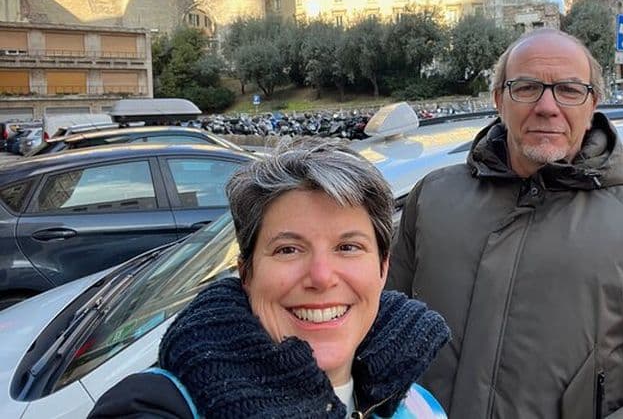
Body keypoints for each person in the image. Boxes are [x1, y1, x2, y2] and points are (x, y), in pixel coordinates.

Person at [387, 29, 623, 418]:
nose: (547, 107)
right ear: (499, 99)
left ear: (593, 103)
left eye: (568, 90)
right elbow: (380, 331)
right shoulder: (432, 198)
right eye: (527, 87)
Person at [89, 139, 451, 419]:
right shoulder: (156, 405)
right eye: (288, 250)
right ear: (246, 273)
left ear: (383, 268)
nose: (321, 277)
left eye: (348, 247)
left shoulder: (414, 400)